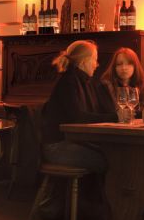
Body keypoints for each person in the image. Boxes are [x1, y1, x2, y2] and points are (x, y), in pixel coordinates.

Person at [41, 40, 118, 172]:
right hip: (57, 146)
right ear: (84, 61)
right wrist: (115, 117)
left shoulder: (87, 82)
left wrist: (116, 113)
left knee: (116, 153)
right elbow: (78, 117)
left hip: (74, 142)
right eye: (95, 59)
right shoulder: (68, 81)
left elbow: (97, 111)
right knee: (112, 159)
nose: (97, 65)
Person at [98, 47, 144, 117]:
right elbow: (109, 113)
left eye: (129, 64)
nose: (124, 68)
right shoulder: (105, 86)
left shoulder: (139, 87)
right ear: (114, 67)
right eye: (119, 64)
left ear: (135, 66)